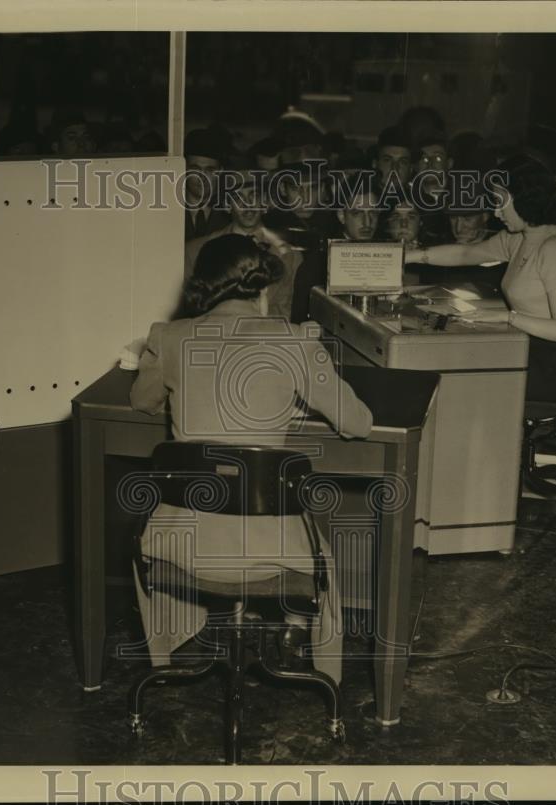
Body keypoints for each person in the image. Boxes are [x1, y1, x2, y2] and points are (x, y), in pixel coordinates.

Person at [129, 234, 374, 684]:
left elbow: (142, 401)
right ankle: (317, 660)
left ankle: (163, 666)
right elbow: (358, 422)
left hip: (180, 547)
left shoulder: (170, 336)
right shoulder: (294, 340)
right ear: (263, 288)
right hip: (271, 551)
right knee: (323, 549)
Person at [407, 160, 556, 402]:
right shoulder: (520, 236)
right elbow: (465, 254)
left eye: (502, 204)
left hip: (551, 364)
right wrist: (410, 256)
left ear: (525, 203)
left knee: (454, 372)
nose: (497, 213)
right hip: (524, 346)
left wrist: (507, 317)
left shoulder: (553, 248)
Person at [184, 170, 301, 319]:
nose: (248, 203)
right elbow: (191, 315)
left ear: (264, 202)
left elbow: (289, 313)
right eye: (238, 197)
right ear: (226, 205)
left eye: (254, 195)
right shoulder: (195, 251)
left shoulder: (290, 256)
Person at [290, 176, 382, 324]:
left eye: (373, 213)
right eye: (357, 213)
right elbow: (301, 322)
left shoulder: (386, 258)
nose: (367, 222)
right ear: (341, 215)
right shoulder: (318, 264)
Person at [183, 128, 230, 241]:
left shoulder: (230, 214)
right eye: (195, 169)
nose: (202, 177)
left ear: (220, 171)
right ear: (184, 169)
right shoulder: (169, 212)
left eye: (210, 169)